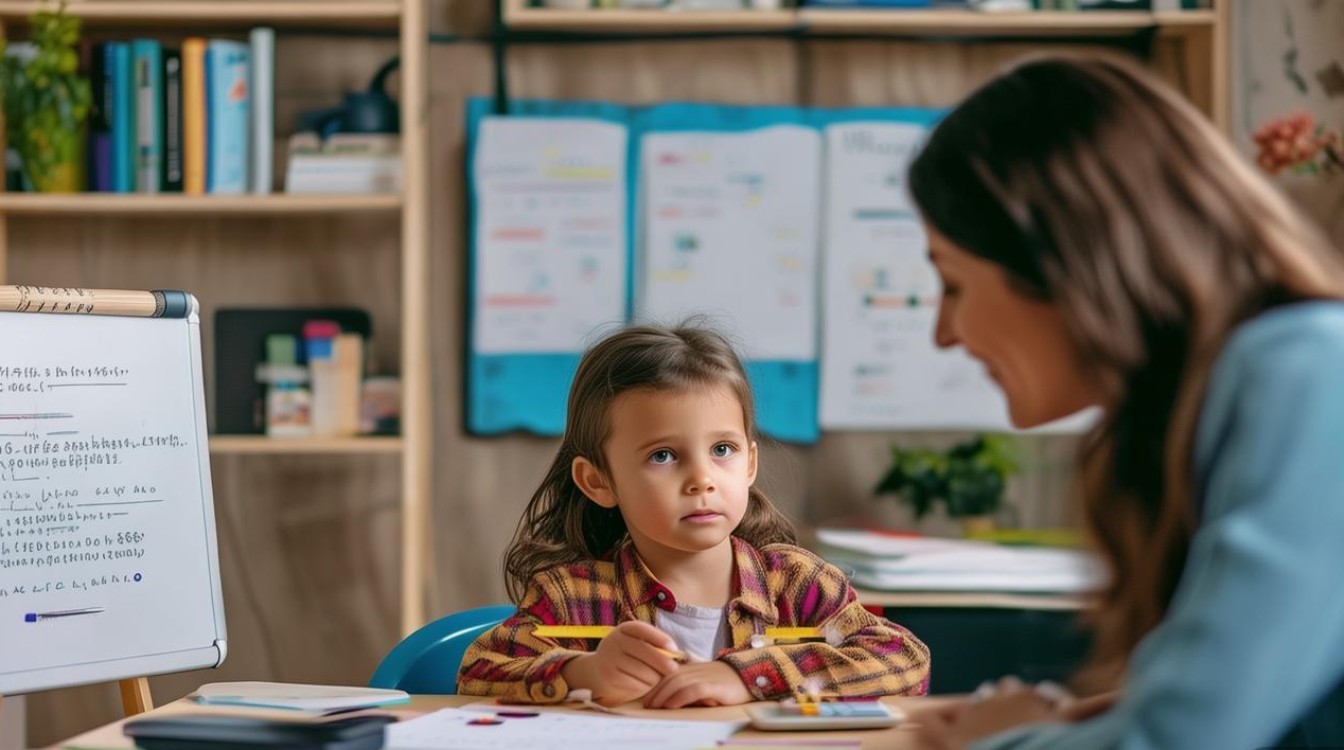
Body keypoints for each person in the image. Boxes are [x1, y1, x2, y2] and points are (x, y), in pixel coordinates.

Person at [903, 53, 1344, 749]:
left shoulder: (1308, 365)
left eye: (953, 282)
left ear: (1057, 259)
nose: (944, 333)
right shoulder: (1223, 399)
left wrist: (1001, 743)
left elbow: (1181, 741)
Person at [457, 324, 931, 708]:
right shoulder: (574, 596)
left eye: (722, 449)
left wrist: (748, 678)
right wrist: (584, 672)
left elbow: (905, 660)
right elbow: (476, 673)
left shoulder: (797, 584)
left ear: (750, 463)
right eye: (663, 456)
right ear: (598, 481)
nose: (702, 480)